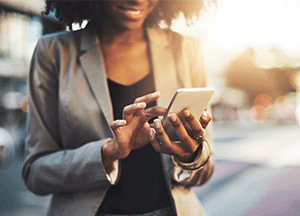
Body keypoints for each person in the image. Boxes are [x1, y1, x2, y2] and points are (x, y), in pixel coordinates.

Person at [22, 0, 215, 216]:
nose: (138, 0)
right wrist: (108, 152)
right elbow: (35, 173)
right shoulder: (53, 52)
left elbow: (206, 168)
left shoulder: (186, 49)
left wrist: (190, 156)